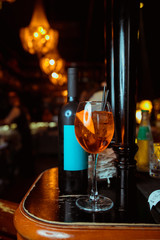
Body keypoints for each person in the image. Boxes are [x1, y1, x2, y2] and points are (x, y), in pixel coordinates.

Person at [0, 91, 34, 178]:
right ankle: (27, 174)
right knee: (26, 153)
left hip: (22, 135)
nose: (9, 100)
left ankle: (23, 175)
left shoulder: (16, 109)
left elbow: (7, 121)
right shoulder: (23, 108)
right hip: (26, 133)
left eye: (11, 98)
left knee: (22, 153)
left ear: (15, 98)